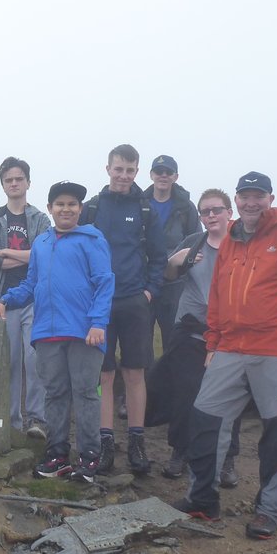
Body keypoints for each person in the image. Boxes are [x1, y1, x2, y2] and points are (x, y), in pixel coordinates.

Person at [180, 172, 277, 540]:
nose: (251, 203)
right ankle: (203, 500)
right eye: (245, 196)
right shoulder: (231, 240)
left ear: (270, 198)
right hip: (229, 349)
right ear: (236, 199)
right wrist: (213, 342)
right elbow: (217, 295)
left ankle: (269, 510)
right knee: (205, 420)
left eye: (258, 196)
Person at [0, 181, 113, 484]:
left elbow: (104, 282)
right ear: (50, 209)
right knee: (54, 394)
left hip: (85, 333)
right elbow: (31, 284)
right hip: (46, 333)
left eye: (72, 204)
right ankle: (57, 454)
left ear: (80, 209)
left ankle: (89, 459)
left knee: (86, 394)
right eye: (60, 204)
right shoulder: (42, 244)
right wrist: (6, 300)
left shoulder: (92, 238)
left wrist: (98, 322)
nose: (66, 209)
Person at [79, 144, 167, 476]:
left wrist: (149, 292)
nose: (124, 176)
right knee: (103, 374)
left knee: (134, 373)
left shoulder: (146, 211)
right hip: (99, 304)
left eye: (130, 171)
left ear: (137, 172)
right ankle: (105, 444)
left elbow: (159, 257)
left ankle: (136, 441)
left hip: (133, 301)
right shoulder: (92, 208)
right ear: (108, 169)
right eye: (119, 169)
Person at [156, 188, 241, 484]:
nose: (211, 216)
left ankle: (227, 459)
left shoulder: (244, 244)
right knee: (185, 393)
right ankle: (180, 452)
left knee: (230, 398)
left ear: (230, 212)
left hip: (232, 334)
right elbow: (167, 277)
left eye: (217, 210)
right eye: (205, 212)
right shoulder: (193, 243)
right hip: (191, 331)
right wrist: (175, 261)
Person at [0, 157, 51, 438]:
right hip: (2, 300)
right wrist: (25, 257)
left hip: (34, 299)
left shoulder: (40, 219)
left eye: (19, 178)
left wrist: (6, 252)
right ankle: (11, 421)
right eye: (8, 179)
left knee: (34, 362)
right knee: (8, 363)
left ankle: (37, 420)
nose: (14, 183)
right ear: (3, 184)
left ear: (28, 182)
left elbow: (43, 256)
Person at [143, 154, 200, 354]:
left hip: (175, 285)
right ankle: (146, 384)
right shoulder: (139, 204)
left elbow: (196, 242)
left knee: (174, 340)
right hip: (144, 281)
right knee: (141, 343)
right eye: (159, 171)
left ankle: (172, 384)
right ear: (151, 175)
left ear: (176, 176)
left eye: (169, 172)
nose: (163, 176)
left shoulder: (186, 208)